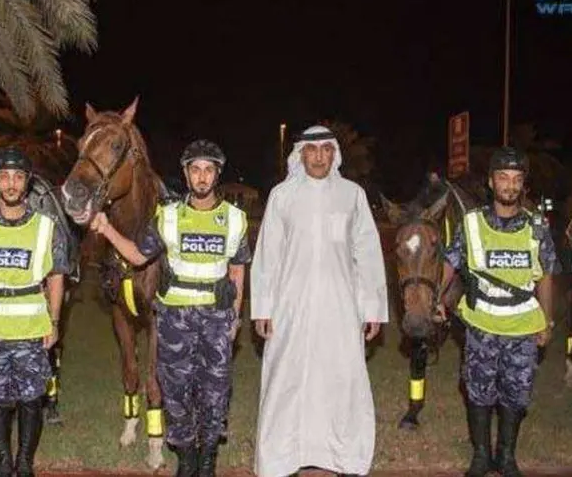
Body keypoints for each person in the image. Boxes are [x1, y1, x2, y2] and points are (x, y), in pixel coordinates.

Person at [90, 139, 250, 477]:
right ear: (186, 175)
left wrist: (235, 316)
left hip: (216, 319)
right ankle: (186, 461)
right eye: (195, 170)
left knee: (214, 394)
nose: (202, 177)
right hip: (175, 319)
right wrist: (106, 229)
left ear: (217, 175)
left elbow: (237, 269)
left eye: (208, 170)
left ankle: (206, 463)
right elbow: (136, 256)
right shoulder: (169, 216)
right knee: (175, 393)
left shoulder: (235, 219)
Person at [250, 125, 388, 477]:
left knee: (341, 378)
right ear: (301, 154)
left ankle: (343, 456)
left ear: (334, 154)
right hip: (290, 308)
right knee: (287, 378)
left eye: (327, 149)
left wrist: (371, 308)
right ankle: (282, 457)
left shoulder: (352, 194)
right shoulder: (282, 196)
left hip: (341, 308)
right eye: (313, 150)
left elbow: (367, 253)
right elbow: (268, 255)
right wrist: (263, 308)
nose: (320, 157)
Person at [440, 147, 560, 477]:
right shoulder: (472, 223)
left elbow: (546, 273)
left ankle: (506, 456)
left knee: (516, 393)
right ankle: (481, 455)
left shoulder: (537, 226)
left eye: (516, 180)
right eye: (503, 178)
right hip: (481, 324)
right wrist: (437, 297)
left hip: (522, 324)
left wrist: (547, 320)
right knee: (478, 390)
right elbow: (449, 264)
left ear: (523, 186)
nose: (510, 185)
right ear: (491, 183)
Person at [0, 147, 69, 477]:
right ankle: (3, 462)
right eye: (4, 176)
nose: (11, 183)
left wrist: (55, 321)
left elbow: (56, 277)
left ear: (28, 183)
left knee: (32, 399)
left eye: (18, 177)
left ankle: (25, 462)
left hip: (32, 327)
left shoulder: (47, 227)